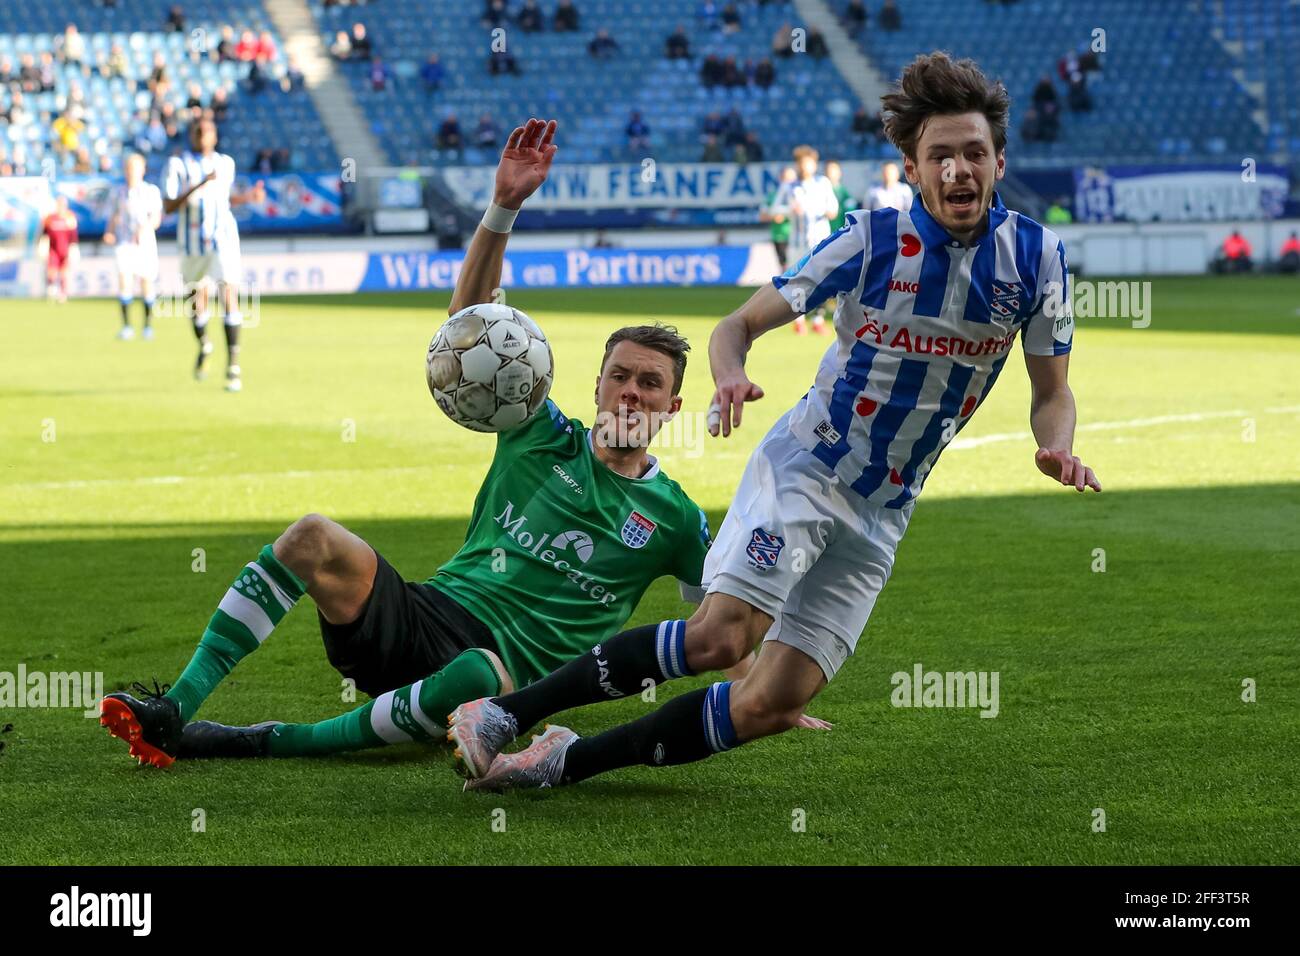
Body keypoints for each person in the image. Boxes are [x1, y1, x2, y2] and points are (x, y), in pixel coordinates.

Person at [444, 52, 1100, 793]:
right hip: (809, 468)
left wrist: (1058, 446)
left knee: (771, 701)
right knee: (722, 633)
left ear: (999, 161)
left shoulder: (1039, 260)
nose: (958, 170)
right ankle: (502, 713)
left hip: (886, 509)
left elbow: (1053, 390)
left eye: (973, 153)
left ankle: (560, 762)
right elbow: (738, 325)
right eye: (939, 156)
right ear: (912, 170)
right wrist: (729, 372)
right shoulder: (870, 241)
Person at [98, 119, 737, 768]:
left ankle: (263, 739)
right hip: (421, 616)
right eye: (620, 376)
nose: (630, 393)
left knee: (479, 673)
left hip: (501, 686)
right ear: (597, 383)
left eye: (649, 384)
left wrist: (768, 690)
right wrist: (504, 206)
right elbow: (468, 329)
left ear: (673, 406)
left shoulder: (675, 518)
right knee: (311, 536)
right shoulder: (538, 431)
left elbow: (728, 618)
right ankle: (173, 710)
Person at [162, 117, 266, 392]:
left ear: (215, 136)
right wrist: (199, 184)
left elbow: (223, 198)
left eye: (206, 131)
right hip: (192, 244)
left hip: (223, 238)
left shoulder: (225, 163)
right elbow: (169, 206)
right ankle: (205, 344)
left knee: (229, 294)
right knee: (197, 303)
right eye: (197, 131)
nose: (201, 135)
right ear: (191, 135)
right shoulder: (177, 165)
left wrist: (248, 199)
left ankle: (233, 365)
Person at [773, 144, 839, 334]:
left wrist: (823, 211)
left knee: (821, 281)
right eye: (801, 163)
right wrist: (788, 210)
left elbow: (833, 209)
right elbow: (774, 209)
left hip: (819, 241)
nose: (804, 167)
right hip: (796, 243)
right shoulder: (789, 187)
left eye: (808, 163)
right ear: (796, 165)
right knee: (798, 283)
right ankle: (799, 319)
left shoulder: (823, 183)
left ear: (814, 165)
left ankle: (818, 319)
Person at [104, 153, 163, 340]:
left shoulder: (151, 191)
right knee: (124, 280)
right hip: (124, 242)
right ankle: (127, 326)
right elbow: (114, 214)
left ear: (143, 170)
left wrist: (144, 229)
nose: (132, 173)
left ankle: (147, 326)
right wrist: (109, 231)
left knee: (146, 283)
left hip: (145, 244)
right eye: (129, 169)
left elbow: (156, 218)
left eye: (135, 168)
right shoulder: (119, 192)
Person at [41, 194, 79, 304]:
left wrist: (74, 247)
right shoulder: (50, 218)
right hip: (53, 250)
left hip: (66, 250)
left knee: (64, 274)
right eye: (59, 204)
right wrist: (42, 246)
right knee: (51, 273)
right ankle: (51, 288)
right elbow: (44, 234)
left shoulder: (70, 217)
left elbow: (73, 235)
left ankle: (63, 294)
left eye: (63, 204)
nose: (61, 206)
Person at [760, 165, 796, 270]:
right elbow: (762, 216)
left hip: (797, 236)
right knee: (784, 267)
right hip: (779, 236)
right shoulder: (773, 196)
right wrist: (774, 217)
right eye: (786, 178)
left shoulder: (799, 194)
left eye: (791, 179)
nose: (788, 182)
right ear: (780, 178)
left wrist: (785, 216)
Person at [825, 160, 854, 233]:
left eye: (833, 170)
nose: (830, 173)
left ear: (839, 173)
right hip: (823, 234)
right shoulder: (820, 193)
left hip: (839, 235)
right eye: (828, 170)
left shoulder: (845, 195)